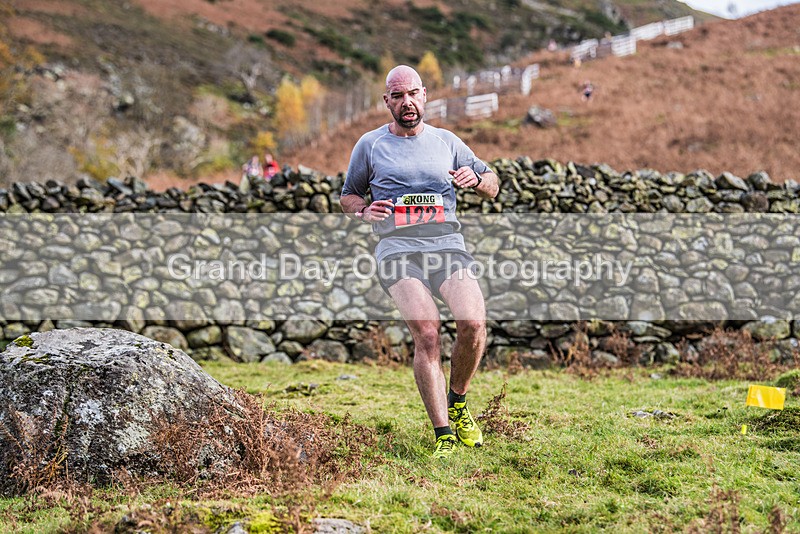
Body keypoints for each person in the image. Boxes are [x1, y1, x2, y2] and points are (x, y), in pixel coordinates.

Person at [340, 65, 499, 459]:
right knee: (427, 332)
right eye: (397, 96)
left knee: (473, 323)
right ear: (387, 101)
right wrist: (364, 211)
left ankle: (458, 401)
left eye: (412, 93)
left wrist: (477, 180)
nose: (406, 102)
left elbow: (493, 185)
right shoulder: (370, 145)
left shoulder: (448, 141)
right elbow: (348, 197)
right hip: (397, 250)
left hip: (447, 245)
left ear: (424, 95)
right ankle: (443, 433)